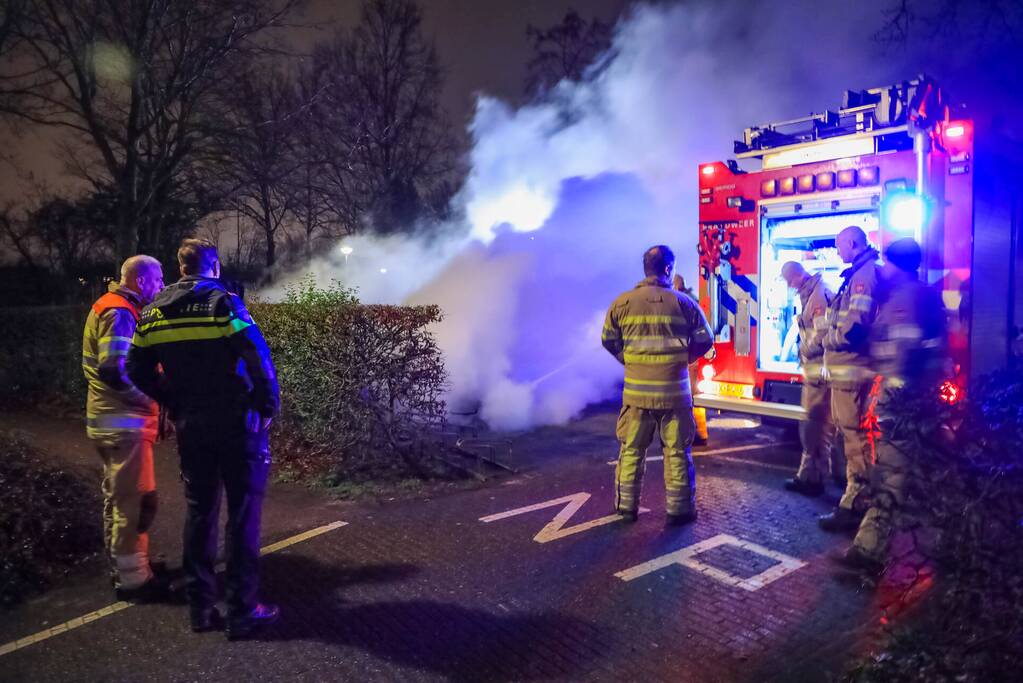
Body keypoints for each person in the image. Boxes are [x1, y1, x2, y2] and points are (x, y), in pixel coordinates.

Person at [127, 238, 280, 639]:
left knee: (200, 514)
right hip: (236, 424)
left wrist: (173, 400)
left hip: (192, 426)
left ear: (180, 268)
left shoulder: (152, 312)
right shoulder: (222, 302)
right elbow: (256, 355)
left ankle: (200, 609)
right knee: (243, 516)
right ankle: (243, 612)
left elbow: (135, 368)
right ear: (213, 266)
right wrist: (266, 407)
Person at [834, 238, 946, 573]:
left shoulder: (905, 299)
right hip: (908, 401)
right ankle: (939, 545)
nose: (882, 269)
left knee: (891, 475)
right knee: (907, 475)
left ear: (898, 264)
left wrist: (882, 399)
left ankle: (869, 552)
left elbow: (900, 357)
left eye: (887, 263)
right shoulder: (917, 294)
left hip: (898, 402)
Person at [602, 245, 714, 525]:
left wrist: (629, 361)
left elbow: (608, 339)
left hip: (637, 396)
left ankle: (626, 508)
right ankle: (679, 511)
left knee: (630, 451)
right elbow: (705, 338)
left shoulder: (622, 303)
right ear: (667, 269)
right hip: (674, 395)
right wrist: (684, 360)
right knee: (676, 452)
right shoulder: (684, 303)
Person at [82, 255, 170, 601]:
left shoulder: (111, 305)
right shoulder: (120, 312)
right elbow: (114, 370)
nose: (161, 286)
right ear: (140, 281)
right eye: (158, 280)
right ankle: (135, 581)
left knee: (118, 498)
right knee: (135, 502)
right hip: (123, 423)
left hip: (107, 421)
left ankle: (124, 565)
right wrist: (150, 398)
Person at [819, 226, 882, 532]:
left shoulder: (863, 277)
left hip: (850, 370)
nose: (838, 252)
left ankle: (857, 502)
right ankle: (856, 496)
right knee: (852, 435)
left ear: (853, 244)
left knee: (855, 437)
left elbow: (856, 327)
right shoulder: (859, 273)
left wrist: (827, 338)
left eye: (839, 245)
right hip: (846, 371)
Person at [780, 261, 843, 496]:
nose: (790, 286)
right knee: (821, 426)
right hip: (817, 367)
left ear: (798, 275)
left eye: (790, 281)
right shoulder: (813, 292)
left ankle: (811, 478)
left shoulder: (818, 295)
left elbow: (821, 333)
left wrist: (804, 350)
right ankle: (823, 475)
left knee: (813, 425)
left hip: (818, 368)